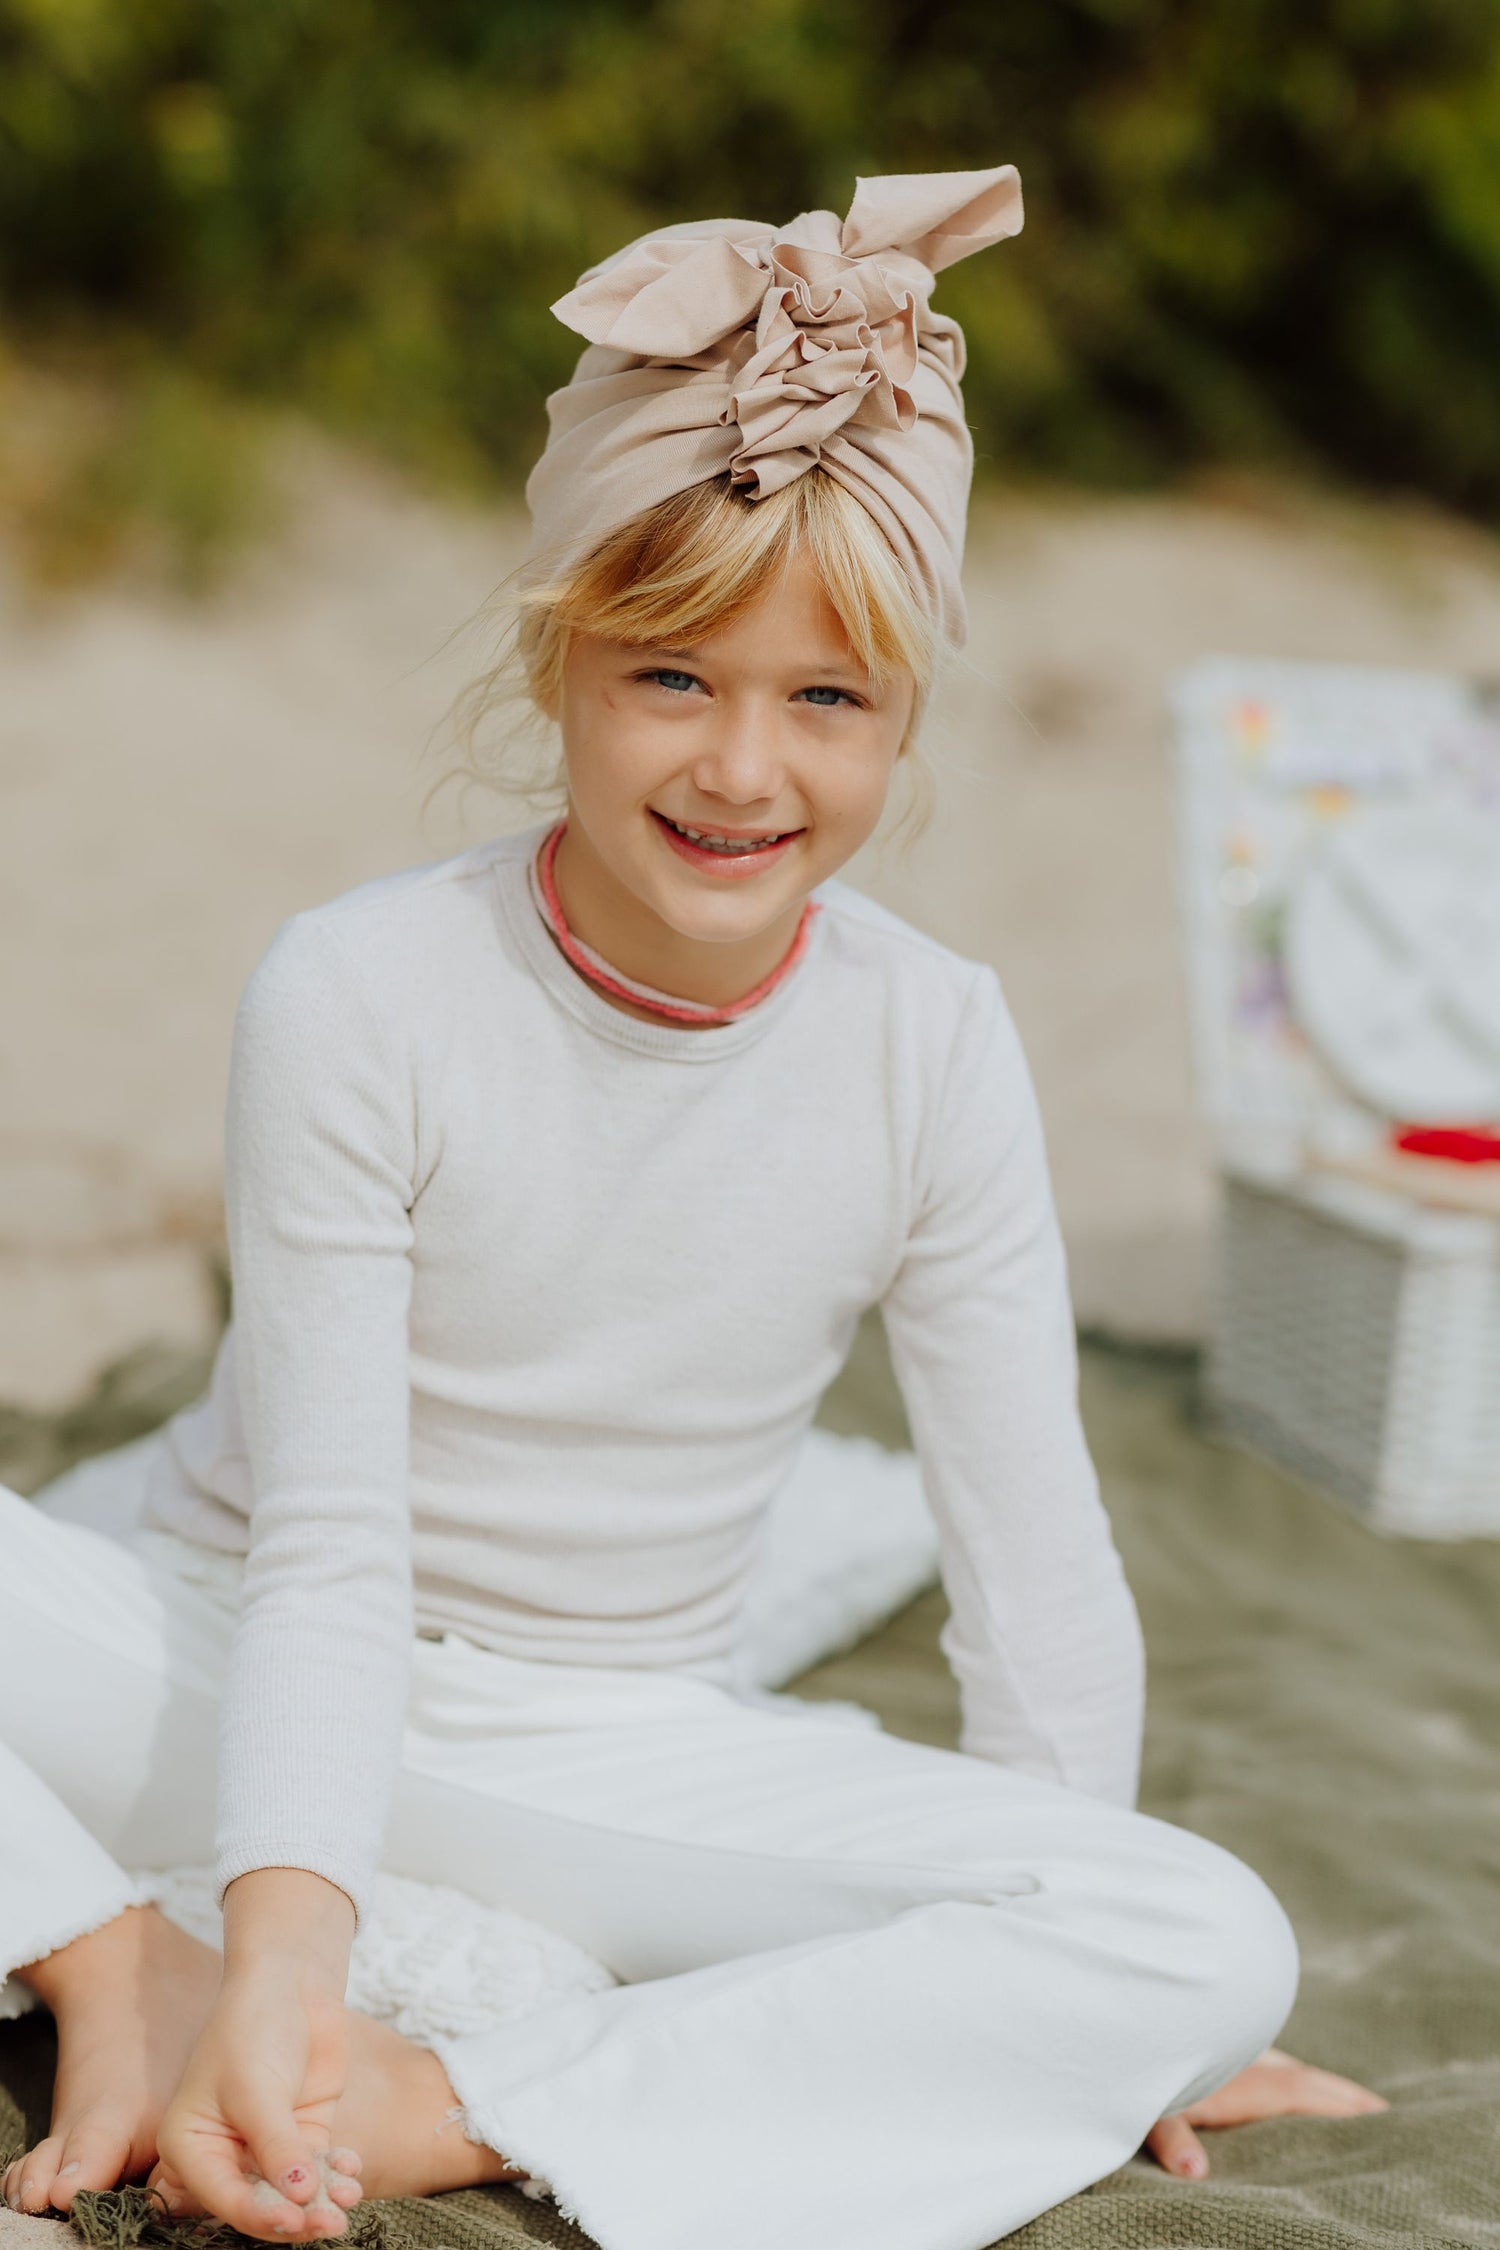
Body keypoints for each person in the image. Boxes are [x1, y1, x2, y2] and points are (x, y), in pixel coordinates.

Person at [0, 166, 1384, 2250]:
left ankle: (454, 2098)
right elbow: (331, 1552)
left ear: (903, 717)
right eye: (673, 678)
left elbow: (1035, 1558)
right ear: (560, 660)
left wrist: (1112, 2006)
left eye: (827, 699)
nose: (745, 768)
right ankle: (120, 1967)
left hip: (617, 1750)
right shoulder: (361, 986)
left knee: (1201, 1931)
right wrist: (274, 1951)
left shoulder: (938, 1039)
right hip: (213, 1656)